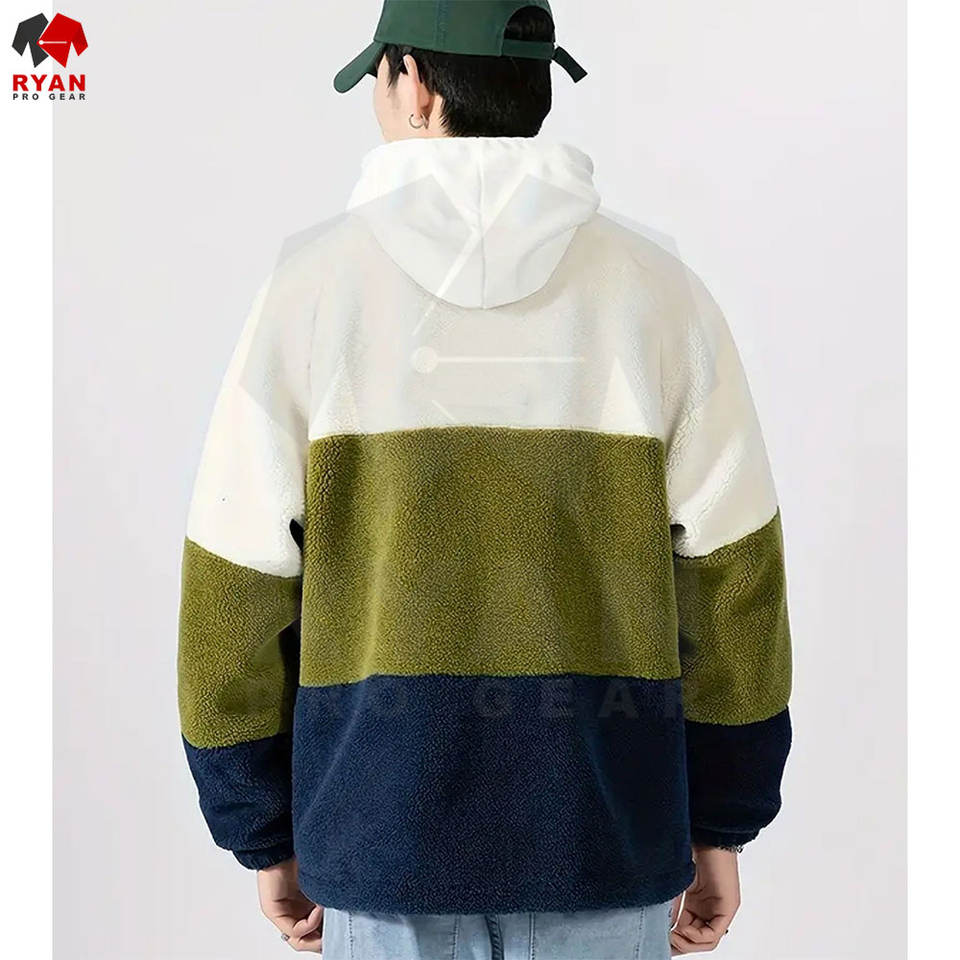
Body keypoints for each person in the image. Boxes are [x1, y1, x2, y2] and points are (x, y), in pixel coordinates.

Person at [177, 2, 792, 957]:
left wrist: (263, 831)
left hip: (383, 852)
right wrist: (722, 823)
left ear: (416, 85)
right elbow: (733, 583)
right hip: (605, 847)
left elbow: (234, 587)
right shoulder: (657, 291)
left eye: (381, 78)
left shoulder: (309, 291)